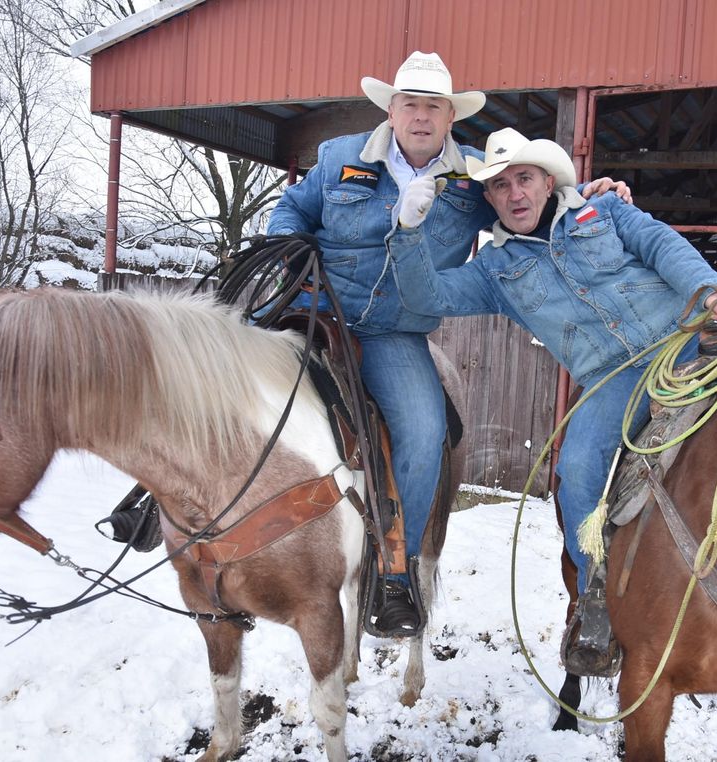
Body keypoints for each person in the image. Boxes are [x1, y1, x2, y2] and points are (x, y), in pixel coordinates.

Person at [267, 53, 631, 637]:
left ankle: (395, 571)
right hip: (314, 308)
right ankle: (169, 504)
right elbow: (292, 210)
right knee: (225, 379)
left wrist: (590, 194)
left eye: (433, 106)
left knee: (423, 428)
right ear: (391, 109)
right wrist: (288, 253)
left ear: (449, 116)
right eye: (410, 103)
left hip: (392, 331)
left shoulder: (475, 177)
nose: (420, 115)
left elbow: (530, 197)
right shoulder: (339, 158)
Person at [386, 127, 717, 671]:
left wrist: (708, 293)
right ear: (489, 199)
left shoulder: (604, 211)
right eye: (500, 186)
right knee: (575, 469)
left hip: (685, 336)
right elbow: (427, 295)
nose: (515, 194)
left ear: (547, 181)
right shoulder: (495, 272)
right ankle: (595, 595)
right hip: (611, 379)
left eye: (524, 179)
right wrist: (407, 233)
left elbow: (662, 245)